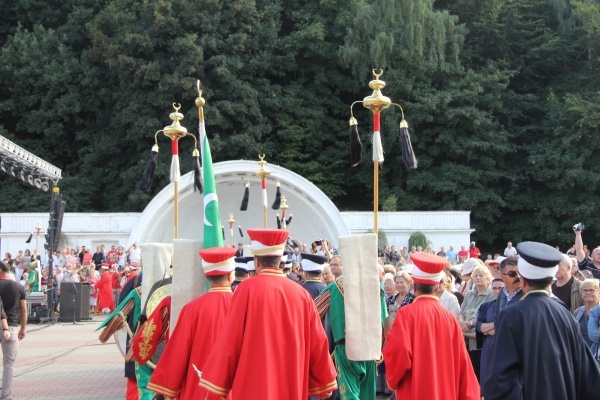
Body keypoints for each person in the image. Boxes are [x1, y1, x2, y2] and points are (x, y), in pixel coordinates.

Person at [198, 229, 337, 399]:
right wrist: (324, 381)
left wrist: (218, 383)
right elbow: (317, 340)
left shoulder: (245, 290)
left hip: (253, 386)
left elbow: (230, 339)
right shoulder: (301, 294)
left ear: (256, 262)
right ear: (280, 262)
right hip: (290, 383)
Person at [488, 241, 600, 399]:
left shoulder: (511, 315)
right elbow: (589, 375)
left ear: (523, 280)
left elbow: (501, 378)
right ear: (550, 281)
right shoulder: (565, 314)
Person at [383, 252, 479, 399]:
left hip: (415, 390)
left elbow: (399, 355)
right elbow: (463, 364)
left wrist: (392, 381)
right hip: (445, 391)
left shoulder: (405, 314)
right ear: (436, 287)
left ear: (413, 287)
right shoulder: (450, 318)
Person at [148, 247, 236, 399]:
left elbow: (178, 351)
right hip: (235, 386)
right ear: (230, 276)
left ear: (207, 277)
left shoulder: (191, 309)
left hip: (199, 387)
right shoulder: (243, 306)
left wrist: (166, 386)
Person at [458, 264, 494, 382]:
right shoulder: (468, 294)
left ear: (488, 279)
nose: (478, 278)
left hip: (479, 341)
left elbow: (486, 317)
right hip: (465, 340)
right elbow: (461, 312)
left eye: (481, 275)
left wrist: (469, 324)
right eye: (476, 275)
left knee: (479, 376)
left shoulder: (492, 295)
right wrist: (462, 322)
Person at [0, 260, 27, 400]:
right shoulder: (18, 286)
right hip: (11, 326)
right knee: (9, 363)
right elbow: (23, 310)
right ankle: (5, 396)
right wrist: (23, 328)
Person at [476, 277, 505, 399]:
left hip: (504, 347)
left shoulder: (512, 305)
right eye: (494, 288)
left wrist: (488, 328)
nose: (497, 291)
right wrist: (496, 324)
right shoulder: (486, 306)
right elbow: (479, 326)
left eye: (500, 288)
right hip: (488, 347)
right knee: (487, 382)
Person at [573, 279, 600, 348]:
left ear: (598, 293)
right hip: (581, 354)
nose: (588, 293)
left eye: (591, 290)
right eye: (585, 290)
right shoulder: (578, 312)